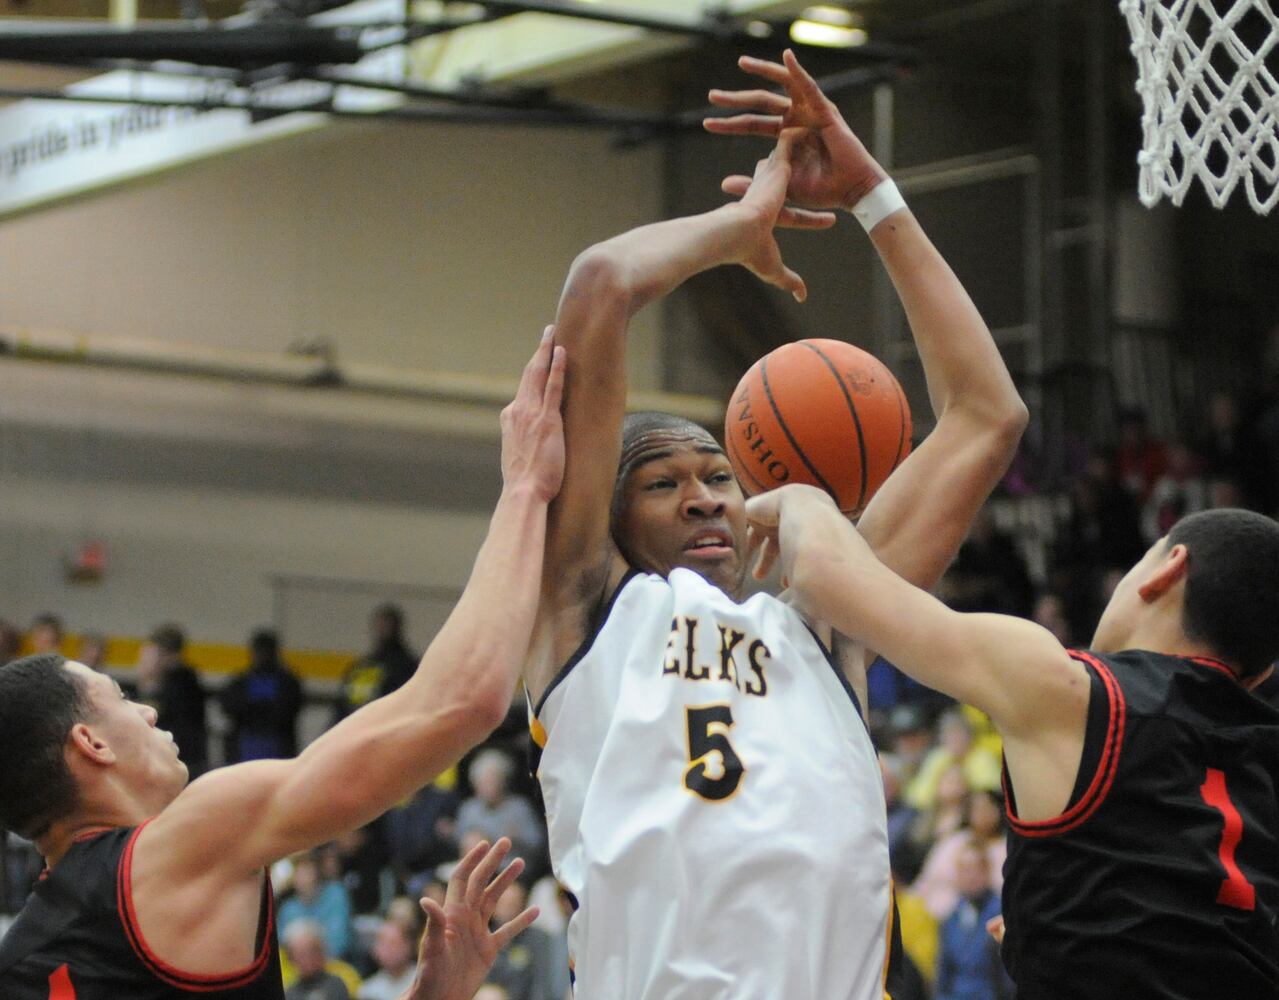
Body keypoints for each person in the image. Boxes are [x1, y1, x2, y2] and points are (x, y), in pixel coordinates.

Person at [525, 49, 1026, 998]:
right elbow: (599, 285)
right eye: (662, 484)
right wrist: (738, 225)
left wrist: (875, 197)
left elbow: (984, 418)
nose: (705, 496)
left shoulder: (824, 616)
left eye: (717, 473)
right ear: (607, 514)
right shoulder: (582, 613)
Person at [0, 333, 566, 999]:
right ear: (89, 743)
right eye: (122, 700)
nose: (149, 710)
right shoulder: (184, 846)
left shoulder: (26, 956)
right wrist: (525, 487)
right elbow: (460, 702)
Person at [745, 488, 1279, 998]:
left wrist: (805, 499)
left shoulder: (1074, 692)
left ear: (1167, 569)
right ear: (1259, 675)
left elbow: (824, 576)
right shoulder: (1261, 757)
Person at [133, 624, 209, 778]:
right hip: (178, 758)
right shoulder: (183, 681)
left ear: (167, 655)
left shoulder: (181, 684)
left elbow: (161, 717)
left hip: (180, 759)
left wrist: (148, 683)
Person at [220, 628, 305, 763]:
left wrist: (252, 710)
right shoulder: (287, 682)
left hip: (269, 748)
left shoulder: (242, 681)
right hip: (260, 747)